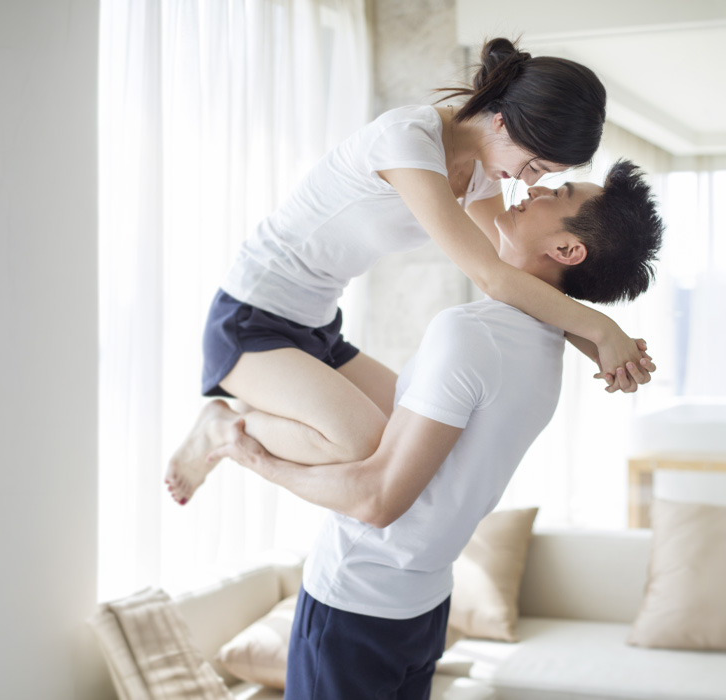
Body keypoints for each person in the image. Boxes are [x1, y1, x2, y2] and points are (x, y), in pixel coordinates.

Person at [208, 159, 664, 700]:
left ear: (567, 250)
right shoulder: (546, 354)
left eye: (558, 193)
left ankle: (222, 424)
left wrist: (254, 458)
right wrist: (600, 331)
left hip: (354, 605)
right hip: (424, 606)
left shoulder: (470, 334)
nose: (536, 188)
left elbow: (376, 500)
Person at [164, 38, 656, 505]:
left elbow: (512, 269)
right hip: (251, 318)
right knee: (361, 442)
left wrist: (597, 347)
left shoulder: (480, 168)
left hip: (315, 327)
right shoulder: (408, 141)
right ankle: (221, 428)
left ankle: (253, 412)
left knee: (404, 433)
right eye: (535, 167)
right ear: (502, 123)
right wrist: (601, 327)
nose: (529, 184)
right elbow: (489, 276)